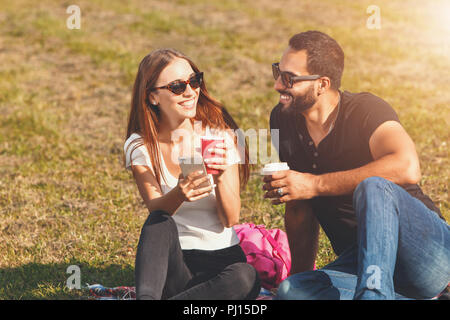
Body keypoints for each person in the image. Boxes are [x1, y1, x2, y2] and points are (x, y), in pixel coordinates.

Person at [264, 30, 449, 300]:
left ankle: (375, 295)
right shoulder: (284, 119)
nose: (278, 85)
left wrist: (314, 184)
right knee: (293, 292)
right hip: (361, 261)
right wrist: (299, 276)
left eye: (289, 78)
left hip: (427, 254)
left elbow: (406, 165)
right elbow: (299, 204)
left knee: (373, 187)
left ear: (322, 84)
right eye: (277, 72)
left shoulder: (365, 110)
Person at [124, 48, 260, 300]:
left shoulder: (220, 137)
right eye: (177, 86)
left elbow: (230, 219)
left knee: (246, 277)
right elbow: (155, 206)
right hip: (176, 264)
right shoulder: (140, 145)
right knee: (158, 221)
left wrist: (220, 180)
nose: (190, 92)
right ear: (153, 97)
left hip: (221, 261)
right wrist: (179, 194)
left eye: (194, 81)